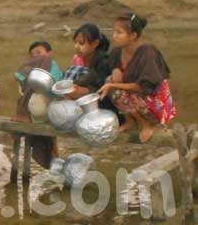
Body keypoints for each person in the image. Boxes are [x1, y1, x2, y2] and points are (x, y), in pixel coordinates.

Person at [98, 13, 176, 143]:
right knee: (110, 82)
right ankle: (131, 121)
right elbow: (115, 72)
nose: (114, 36)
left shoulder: (148, 53)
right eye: (114, 31)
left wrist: (113, 85)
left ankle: (147, 124)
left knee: (112, 87)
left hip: (154, 102)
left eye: (119, 32)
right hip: (137, 98)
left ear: (133, 36)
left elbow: (143, 87)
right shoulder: (117, 52)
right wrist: (115, 70)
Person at [63, 23, 123, 122]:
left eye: (81, 43)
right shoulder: (82, 58)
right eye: (76, 42)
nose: (77, 46)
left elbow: (102, 88)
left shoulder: (103, 61)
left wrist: (84, 91)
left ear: (95, 43)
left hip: (108, 106)